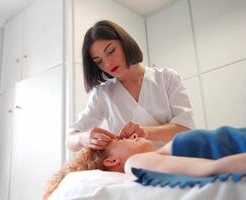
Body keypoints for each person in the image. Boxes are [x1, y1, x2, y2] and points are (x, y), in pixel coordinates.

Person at [66, 20, 195, 152]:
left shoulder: (166, 77)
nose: (108, 64)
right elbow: (70, 141)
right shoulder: (102, 93)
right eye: (99, 61)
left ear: (124, 42)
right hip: (132, 168)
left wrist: (146, 132)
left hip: (176, 159)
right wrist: (83, 138)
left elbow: (186, 128)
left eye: (110, 51)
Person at [44, 126, 246, 199]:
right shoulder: (135, 163)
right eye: (121, 140)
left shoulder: (160, 153)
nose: (131, 136)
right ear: (112, 160)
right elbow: (213, 169)